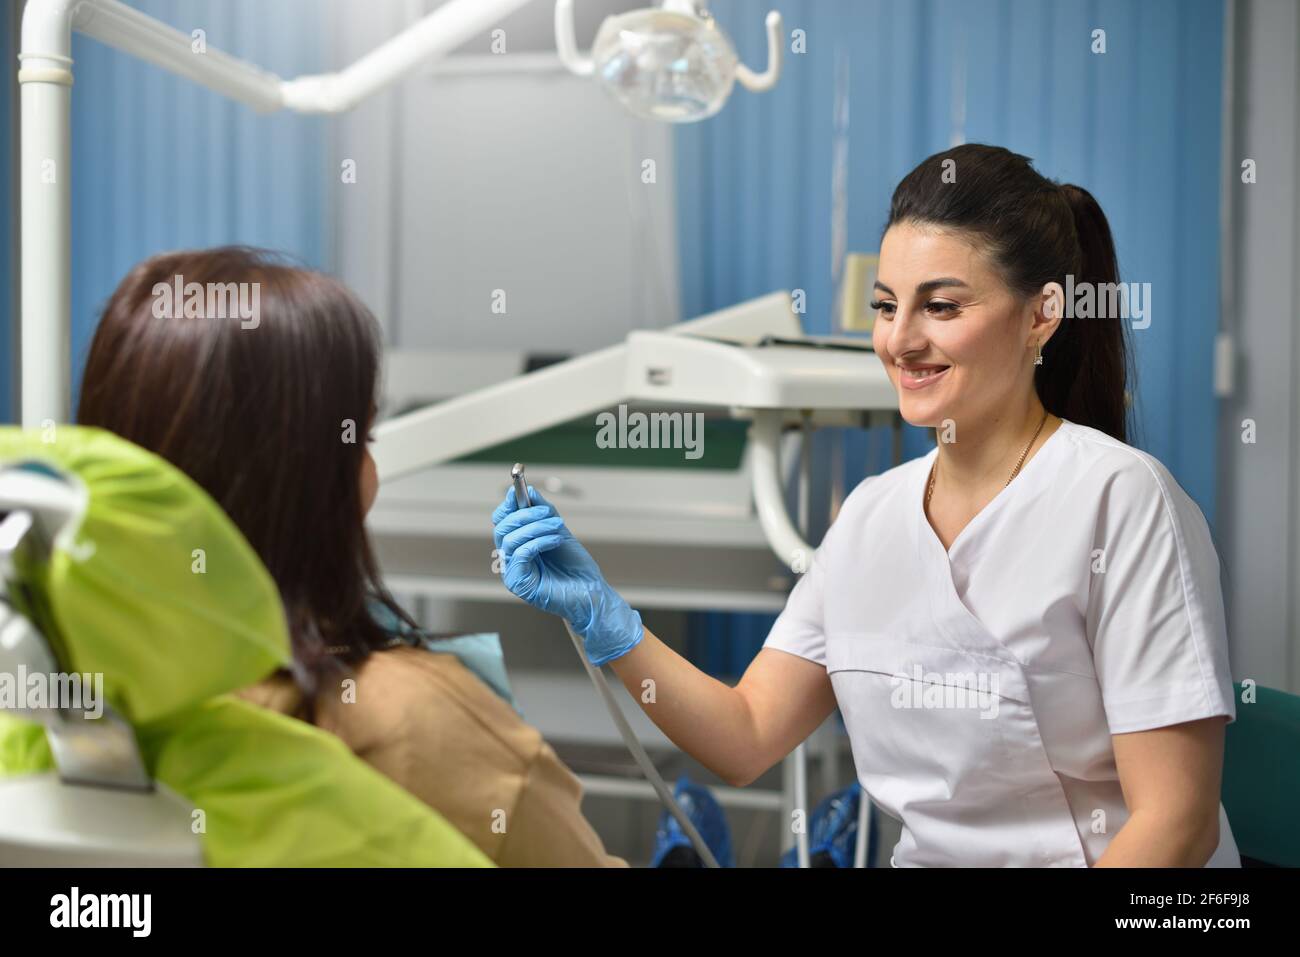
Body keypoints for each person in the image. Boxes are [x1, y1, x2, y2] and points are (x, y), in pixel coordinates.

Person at [492, 143, 1240, 867]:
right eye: (886, 306)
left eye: (940, 306)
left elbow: (1176, 825)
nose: (901, 340)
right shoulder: (869, 519)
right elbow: (747, 733)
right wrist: (605, 618)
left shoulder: (1120, 501)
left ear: (1042, 314)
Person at [78, 246, 624, 867]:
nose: (371, 471)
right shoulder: (418, 725)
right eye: (361, 438)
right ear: (306, 476)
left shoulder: (68, 708)